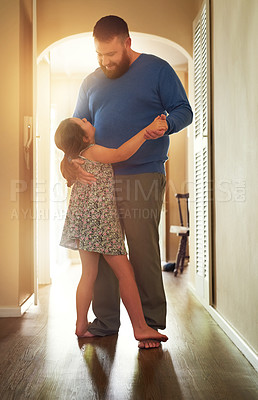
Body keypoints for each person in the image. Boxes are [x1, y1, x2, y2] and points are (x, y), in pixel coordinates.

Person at [61, 15, 193, 349]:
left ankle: (149, 323)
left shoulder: (157, 70)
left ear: (127, 43)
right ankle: (105, 322)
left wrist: (167, 124)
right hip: (98, 180)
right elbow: (75, 132)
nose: (105, 62)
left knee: (142, 248)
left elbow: (183, 111)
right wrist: (68, 164)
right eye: (99, 55)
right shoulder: (91, 81)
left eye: (111, 54)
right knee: (103, 250)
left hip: (143, 172)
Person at [55, 115, 168, 347]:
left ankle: (80, 325)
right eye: (82, 122)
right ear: (84, 137)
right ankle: (140, 327)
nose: (86, 118)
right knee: (125, 273)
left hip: (83, 221)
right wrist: (146, 131)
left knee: (88, 274)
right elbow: (120, 154)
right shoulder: (92, 151)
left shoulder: (75, 158)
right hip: (102, 221)